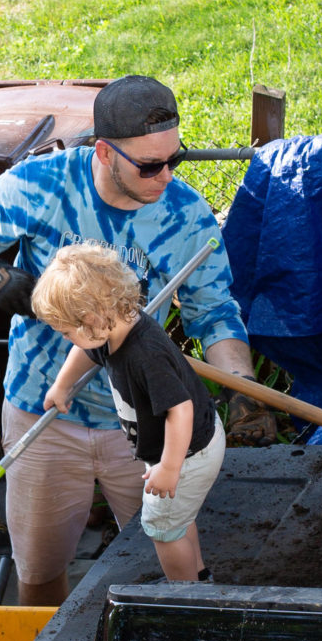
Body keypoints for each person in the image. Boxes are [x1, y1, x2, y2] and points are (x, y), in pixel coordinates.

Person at [0, 73, 259, 605]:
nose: (166, 176)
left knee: (172, 556)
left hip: (144, 425)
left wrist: (242, 384)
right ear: (104, 153)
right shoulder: (44, 185)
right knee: (38, 572)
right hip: (44, 415)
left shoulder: (187, 217)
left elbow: (214, 312)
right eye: (149, 165)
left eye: (175, 159)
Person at [34, 243, 226, 583]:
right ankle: (199, 580)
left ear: (92, 317)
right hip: (179, 449)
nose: (66, 338)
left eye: (65, 330)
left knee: (161, 528)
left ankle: (183, 596)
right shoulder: (109, 329)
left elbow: (180, 410)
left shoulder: (144, 354)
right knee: (176, 519)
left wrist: (169, 467)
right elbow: (84, 350)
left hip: (187, 451)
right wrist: (62, 385)